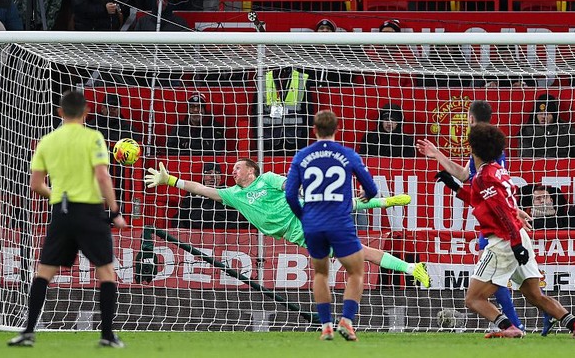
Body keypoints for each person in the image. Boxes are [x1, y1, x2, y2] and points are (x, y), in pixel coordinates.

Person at [145, 159, 432, 288]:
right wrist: (170, 180)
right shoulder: (233, 195)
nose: (232, 171)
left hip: (305, 216)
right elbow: (200, 189)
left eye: (237, 168)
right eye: (231, 169)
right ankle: (409, 263)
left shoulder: (266, 178)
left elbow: (290, 185)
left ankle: (379, 203)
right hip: (301, 235)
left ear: (251, 170)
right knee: (358, 252)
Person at [436, 122, 575, 339]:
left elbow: (503, 212)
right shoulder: (496, 171)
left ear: (472, 149)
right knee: (534, 294)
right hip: (518, 236)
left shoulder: (483, 177)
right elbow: (486, 202)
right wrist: (456, 188)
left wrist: (515, 244)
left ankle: (509, 327)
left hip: (504, 241)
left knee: (473, 299)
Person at [7, 90, 127, 348]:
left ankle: (27, 331)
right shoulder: (93, 137)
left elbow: (36, 184)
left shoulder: (47, 141)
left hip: (61, 212)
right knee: (105, 272)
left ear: (60, 112)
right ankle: (107, 335)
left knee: (44, 272)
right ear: (85, 112)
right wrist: (115, 211)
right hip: (90, 211)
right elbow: (103, 177)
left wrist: (59, 195)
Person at [416, 100, 535, 334]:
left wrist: (514, 211)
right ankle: (516, 322)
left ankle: (513, 324)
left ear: (470, 118)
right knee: (507, 279)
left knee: (494, 277)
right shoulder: (483, 143)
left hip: (497, 223)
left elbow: (494, 187)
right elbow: (465, 175)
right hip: (494, 217)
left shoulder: (486, 147)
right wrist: (437, 155)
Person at [284, 110, 375, 341]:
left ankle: (325, 326)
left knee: (321, 273)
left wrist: (304, 216)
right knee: (356, 271)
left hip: (313, 223)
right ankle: (346, 320)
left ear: (314, 130)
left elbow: (290, 195)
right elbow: (372, 189)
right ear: (337, 129)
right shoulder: (348, 154)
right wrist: (366, 193)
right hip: (339, 222)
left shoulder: (301, 156)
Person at [87, 92, 142, 207]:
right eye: (109, 107)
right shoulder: (91, 127)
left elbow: (138, 145)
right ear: (102, 108)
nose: (112, 110)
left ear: (119, 109)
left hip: (121, 177)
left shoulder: (129, 129)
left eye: (115, 107)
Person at [172, 162, 245, 230]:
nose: (213, 176)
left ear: (221, 178)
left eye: (217, 173)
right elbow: (181, 217)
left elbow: (236, 219)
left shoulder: (228, 193)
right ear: (203, 177)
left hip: (223, 234)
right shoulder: (192, 193)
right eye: (209, 173)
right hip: (195, 233)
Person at [518, 93, 575, 158]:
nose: (543, 117)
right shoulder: (528, 131)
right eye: (540, 114)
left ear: (554, 115)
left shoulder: (566, 130)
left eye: (547, 114)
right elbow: (525, 157)